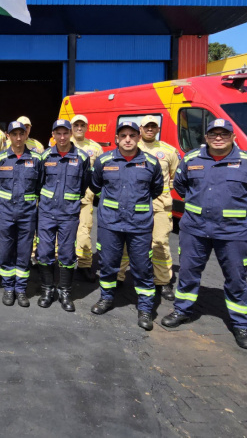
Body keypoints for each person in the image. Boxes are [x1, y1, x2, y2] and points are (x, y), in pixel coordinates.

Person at [161, 119, 247, 350]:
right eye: (213, 133)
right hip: (195, 229)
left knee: (236, 278)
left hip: (234, 232)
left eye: (223, 133)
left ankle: (240, 324)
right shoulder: (192, 159)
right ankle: (182, 310)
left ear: (233, 137)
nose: (218, 137)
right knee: (188, 272)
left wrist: (246, 214)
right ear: (206, 137)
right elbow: (181, 186)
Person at [89, 121, 164, 330]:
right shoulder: (104, 160)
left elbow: (156, 189)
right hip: (110, 223)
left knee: (142, 268)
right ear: (117, 138)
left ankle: (146, 309)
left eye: (132, 135)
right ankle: (106, 298)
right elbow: (95, 185)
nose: (128, 139)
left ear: (139, 137)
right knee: (108, 264)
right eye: (123, 135)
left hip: (139, 225)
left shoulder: (151, 162)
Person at [118, 115, 179, 300]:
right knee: (126, 243)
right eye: (146, 127)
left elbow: (175, 178)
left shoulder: (169, 151)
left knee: (160, 243)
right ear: (140, 130)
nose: (150, 129)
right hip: (134, 205)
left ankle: (162, 281)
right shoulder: (131, 147)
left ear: (158, 129)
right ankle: (118, 277)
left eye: (153, 126)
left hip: (160, 205)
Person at [36, 120, 91, 311]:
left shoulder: (82, 158)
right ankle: (47, 289)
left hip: (69, 213)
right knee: (44, 253)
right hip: (46, 213)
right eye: (58, 133)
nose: (62, 137)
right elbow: (38, 183)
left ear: (70, 134)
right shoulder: (44, 156)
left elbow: (85, 183)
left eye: (65, 133)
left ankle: (65, 291)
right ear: (53, 134)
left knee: (67, 254)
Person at [0, 121, 43, 307]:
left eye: (22, 134)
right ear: (8, 136)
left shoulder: (36, 160)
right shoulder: (0, 159)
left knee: (24, 251)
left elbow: (40, 186)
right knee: (5, 251)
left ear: (26, 135)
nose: (19, 138)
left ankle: (21, 289)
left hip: (27, 214)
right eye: (14, 134)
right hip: (5, 213)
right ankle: (8, 288)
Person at [68, 114, 104, 281]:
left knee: (84, 232)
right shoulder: (63, 144)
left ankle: (84, 265)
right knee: (64, 233)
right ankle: (62, 264)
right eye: (76, 125)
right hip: (65, 198)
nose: (79, 128)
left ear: (87, 127)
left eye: (82, 125)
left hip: (85, 199)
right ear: (72, 127)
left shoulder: (95, 148)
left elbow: (100, 173)